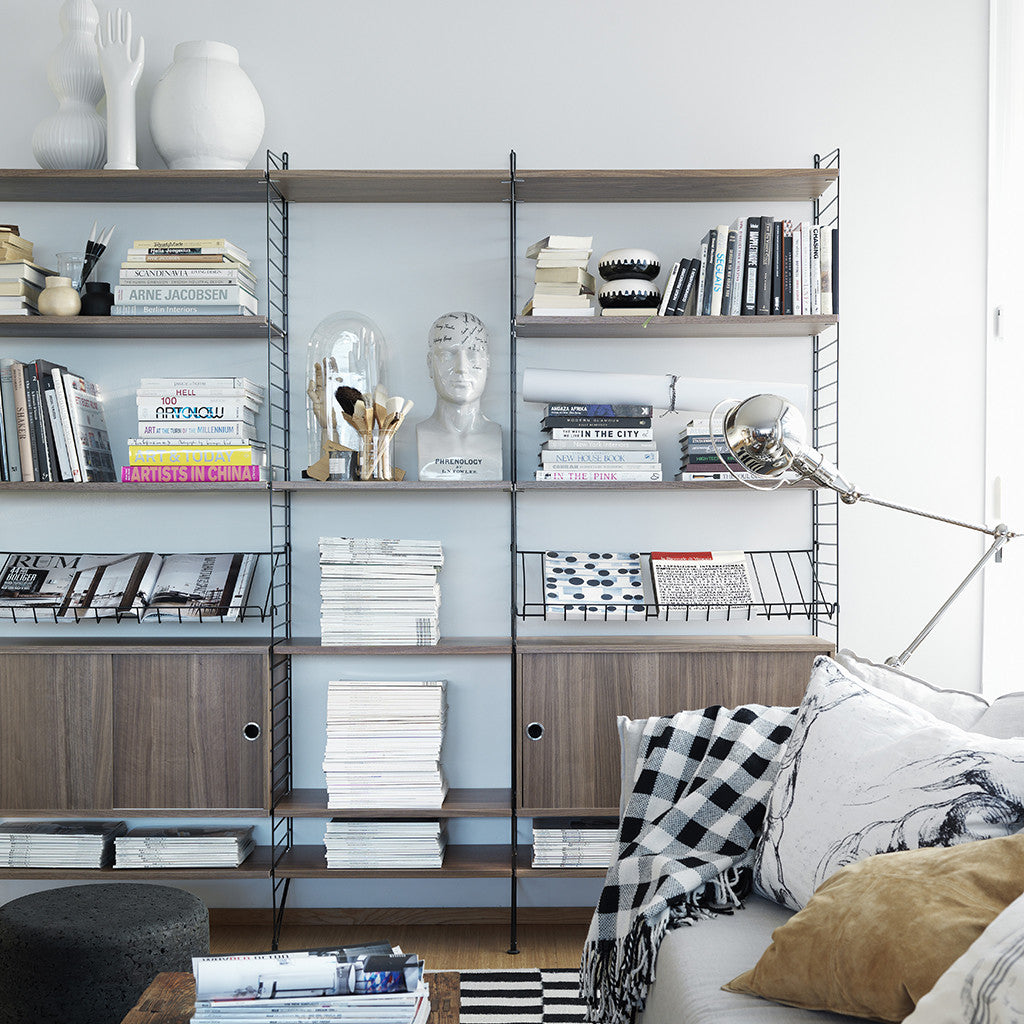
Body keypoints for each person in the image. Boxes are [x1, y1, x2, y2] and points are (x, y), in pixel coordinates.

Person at [416, 311, 502, 480]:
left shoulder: (495, 434)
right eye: (447, 355)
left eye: (473, 354)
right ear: (429, 363)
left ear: (487, 362)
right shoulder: (423, 433)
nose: (461, 367)